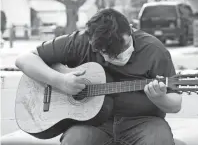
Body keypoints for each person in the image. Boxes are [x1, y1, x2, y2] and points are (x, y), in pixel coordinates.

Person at [15, 8, 182, 145]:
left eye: (117, 54)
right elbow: (24, 60)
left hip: (144, 123)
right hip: (92, 125)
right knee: (74, 142)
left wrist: (160, 99)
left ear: (129, 32)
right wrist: (60, 81)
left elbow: (175, 104)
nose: (110, 59)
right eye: (104, 54)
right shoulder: (80, 42)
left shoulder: (154, 50)